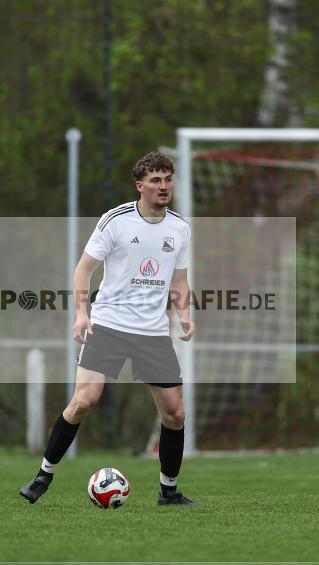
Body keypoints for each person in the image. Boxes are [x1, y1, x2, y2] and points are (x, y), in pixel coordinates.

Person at [20, 151, 196, 506]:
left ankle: (169, 491)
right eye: (155, 181)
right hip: (109, 325)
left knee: (175, 413)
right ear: (140, 186)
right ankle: (42, 477)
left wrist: (185, 313)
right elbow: (83, 270)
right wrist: (81, 314)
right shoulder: (115, 221)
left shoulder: (179, 228)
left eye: (168, 180)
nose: (164, 187)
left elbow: (179, 280)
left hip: (152, 332)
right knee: (84, 401)